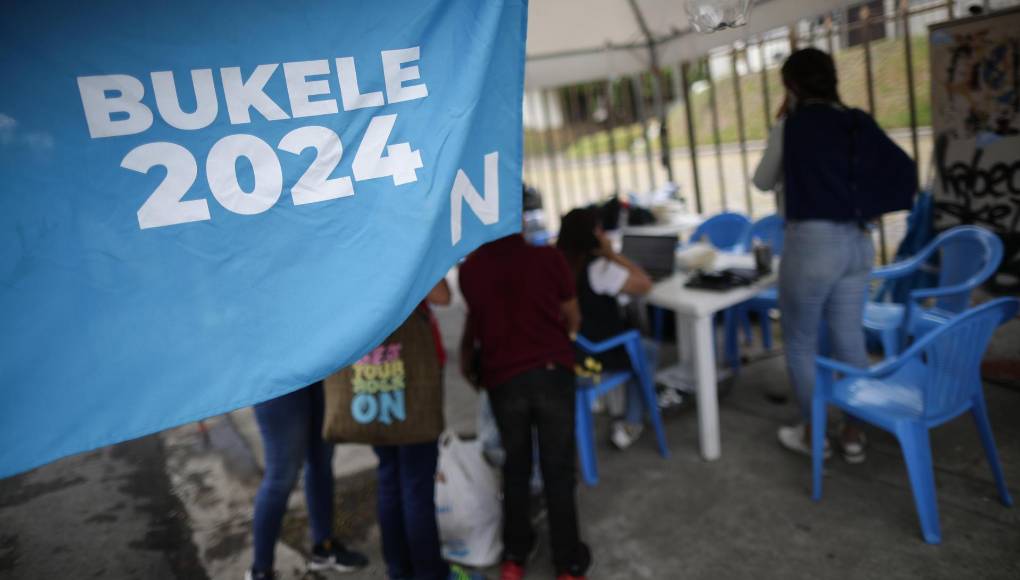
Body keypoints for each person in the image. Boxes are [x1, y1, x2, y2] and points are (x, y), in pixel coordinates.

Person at [753, 47, 883, 464]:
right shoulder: (854, 121)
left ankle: (815, 434)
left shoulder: (791, 127)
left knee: (801, 343)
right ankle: (853, 434)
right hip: (859, 242)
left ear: (790, 85)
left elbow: (761, 181)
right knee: (849, 338)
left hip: (811, 245)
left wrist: (785, 121)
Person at [459, 227, 591, 580]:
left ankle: (514, 557)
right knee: (558, 468)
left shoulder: (471, 270)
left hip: (504, 381)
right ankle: (569, 565)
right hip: (551, 372)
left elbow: (477, 326)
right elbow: (572, 316)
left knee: (515, 468)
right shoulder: (549, 259)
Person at [372, 279, 484, 580]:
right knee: (416, 485)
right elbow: (442, 296)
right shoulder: (402, 242)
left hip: (372, 381)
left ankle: (398, 570)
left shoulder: (345, 245)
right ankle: (430, 573)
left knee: (389, 478)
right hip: (412, 378)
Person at [248, 382, 369, 580]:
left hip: (317, 373)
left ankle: (324, 548)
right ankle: (260, 570)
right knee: (281, 477)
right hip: (275, 382)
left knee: (321, 462)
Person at [556, 207, 653, 449]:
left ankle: (609, 404)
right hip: (593, 361)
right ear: (592, 235)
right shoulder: (599, 268)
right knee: (647, 350)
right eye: (599, 229)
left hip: (565, 355)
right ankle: (631, 422)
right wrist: (613, 255)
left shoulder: (555, 265)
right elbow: (644, 284)